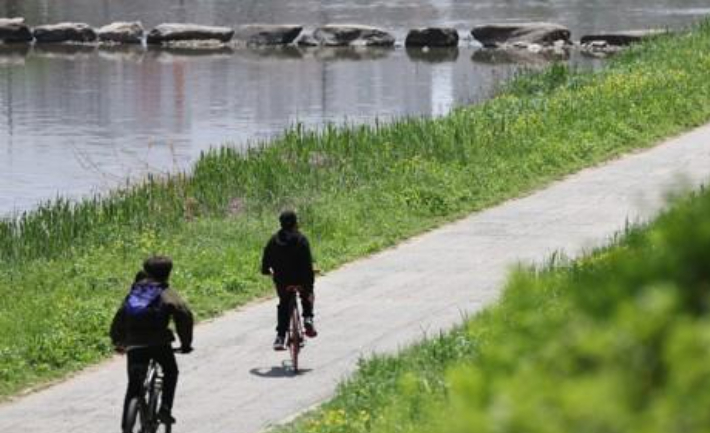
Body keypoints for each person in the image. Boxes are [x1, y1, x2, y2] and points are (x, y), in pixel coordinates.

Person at [110, 256, 194, 427]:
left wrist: (118, 340)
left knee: (134, 386)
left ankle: (127, 425)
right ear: (168, 274)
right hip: (159, 344)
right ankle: (165, 409)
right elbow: (184, 316)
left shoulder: (135, 292)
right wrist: (185, 344)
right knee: (171, 371)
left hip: (134, 344)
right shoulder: (167, 293)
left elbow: (120, 316)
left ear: (146, 272)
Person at [261, 210, 317, 351]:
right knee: (307, 294)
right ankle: (308, 318)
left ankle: (280, 337)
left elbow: (266, 260)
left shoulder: (273, 240)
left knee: (284, 303)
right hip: (301, 279)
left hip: (283, 281)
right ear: (295, 222)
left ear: (281, 223)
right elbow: (307, 262)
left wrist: (266, 270)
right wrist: (309, 278)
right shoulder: (301, 239)